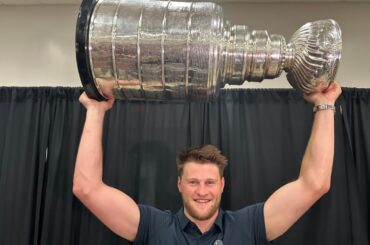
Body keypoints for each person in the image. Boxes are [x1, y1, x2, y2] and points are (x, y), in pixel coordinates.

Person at [73, 81, 342, 244]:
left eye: (209, 182)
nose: (202, 191)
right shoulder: (153, 227)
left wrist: (325, 104)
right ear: (179, 184)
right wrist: (96, 112)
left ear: (222, 185)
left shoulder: (249, 226)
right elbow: (87, 189)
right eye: (193, 182)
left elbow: (314, 184)